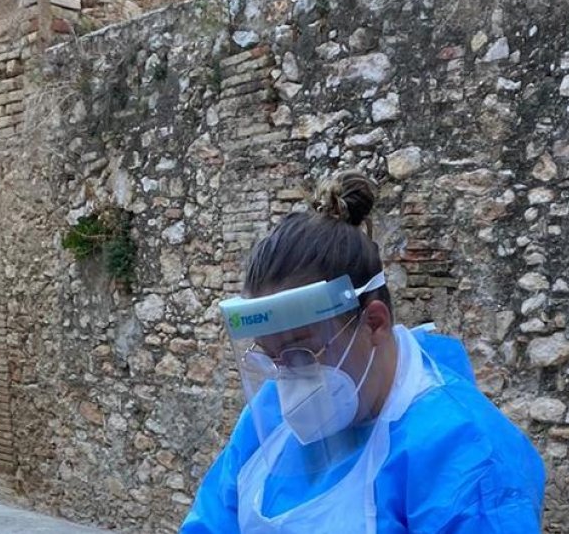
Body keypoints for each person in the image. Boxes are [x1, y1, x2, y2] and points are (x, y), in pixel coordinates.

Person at [180, 170, 546, 533]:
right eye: (271, 358)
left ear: (373, 323)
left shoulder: (465, 453)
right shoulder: (269, 417)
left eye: (301, 353)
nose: (287, 381)